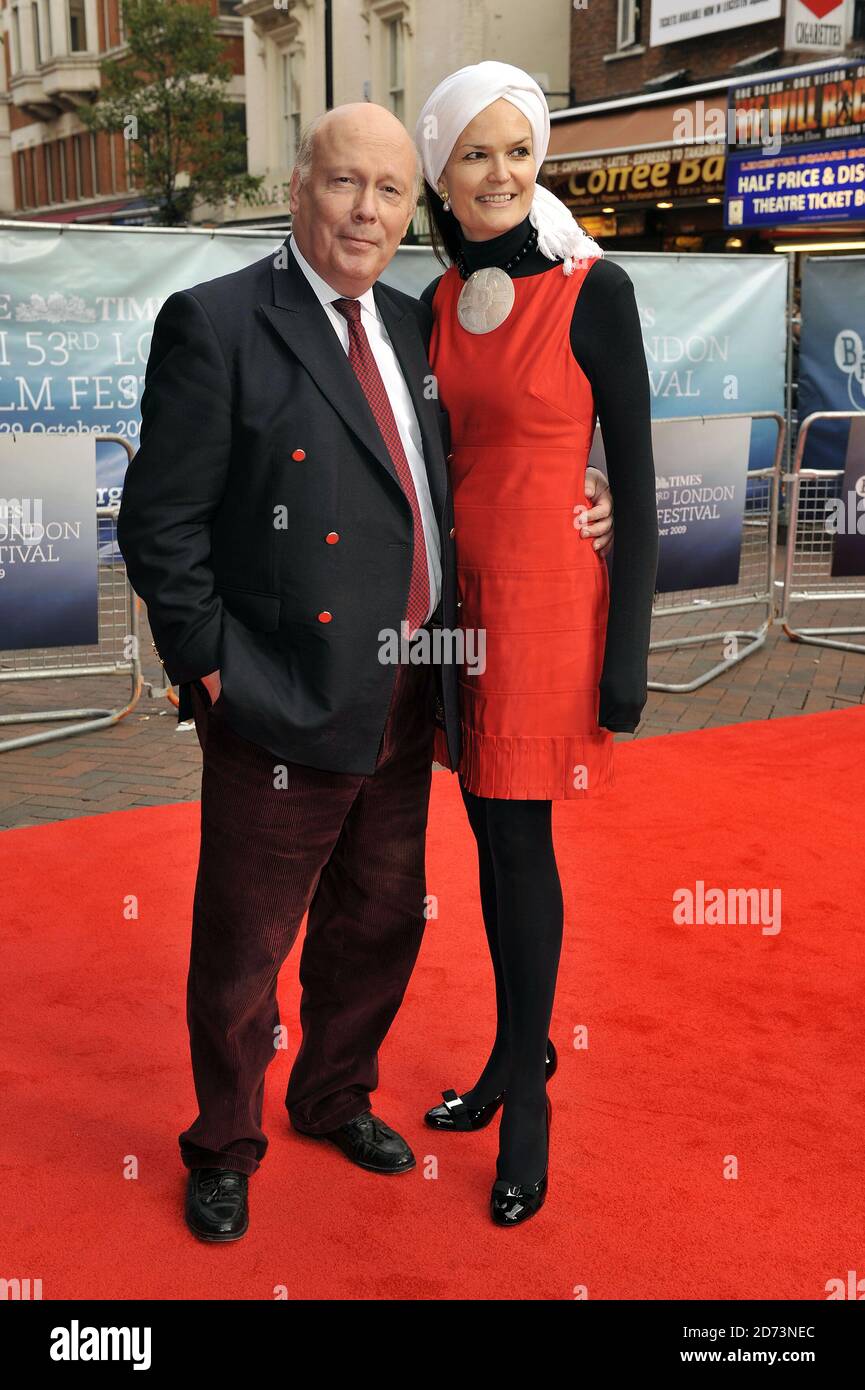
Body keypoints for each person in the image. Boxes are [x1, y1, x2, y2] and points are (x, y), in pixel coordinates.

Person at [116, 100, 615, 1242]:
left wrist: (597, 491)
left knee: (381, 917)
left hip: (405, 682)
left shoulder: (416, 320)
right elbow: (162, 523)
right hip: (276, 693)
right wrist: (208, 668)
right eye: (348, 183)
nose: (368, 210)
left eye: (392, 192)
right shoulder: (219, 320)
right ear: (301, 186)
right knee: (246, 942)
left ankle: (333, 1092)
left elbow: (495, 444)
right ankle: (223, 1142)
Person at [414, 62, 659, 1226]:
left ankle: (527, 1099)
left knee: (520, 848)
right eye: (476, 153)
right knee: (484, 836)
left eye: (519, 149)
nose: (502, 172)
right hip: (456, 616)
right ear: (442, 175)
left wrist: (630, 662)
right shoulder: (427, 304)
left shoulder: (591, 290)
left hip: (551, 607)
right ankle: (518, 1056)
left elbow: (644, 487)